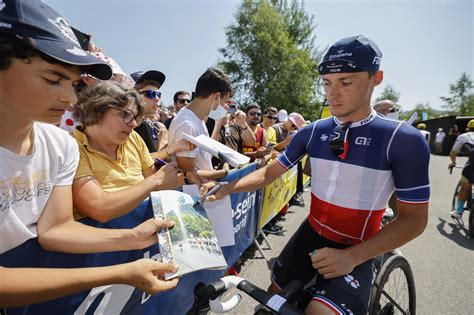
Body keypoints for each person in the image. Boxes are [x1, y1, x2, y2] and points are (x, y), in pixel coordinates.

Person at [202, 35, 430, 315]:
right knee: (272, 304)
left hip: (358, 246)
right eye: (327, 83)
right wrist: (228, 187)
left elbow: (415, 221)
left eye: (346, 82)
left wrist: (352, 257)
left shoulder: (403, 139)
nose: (333, 93)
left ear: (375, 78)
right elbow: (266, 174)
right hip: (310, 233)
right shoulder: (313, 131)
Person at [0, 0, 178, 306]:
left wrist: (131, 237)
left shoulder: (60, 145)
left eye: (72, 83)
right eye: (52, 79)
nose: (69, 97)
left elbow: (54, 230)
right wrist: (118, 272)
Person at [71, 81, 194, 222]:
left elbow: (157, 187)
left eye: (136, 117)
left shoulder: (132, 138)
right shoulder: (73, 148)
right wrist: (157, 179)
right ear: (97, 110)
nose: (134, 124)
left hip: (145, 227)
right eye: (126, 115)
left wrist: (190, 179)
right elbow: (99, 208)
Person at [168, 67, 231, 183]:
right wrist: (223, 172)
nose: (225, 108)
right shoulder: (187, 124)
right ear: (216, 97)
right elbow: (188, 175)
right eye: (224, 102)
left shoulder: (198, 119)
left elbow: (203, 158)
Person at [131, 69, 168, 153]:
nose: (157, 99)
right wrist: (163, 141)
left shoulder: (150, 124)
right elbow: (150, 164)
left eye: (158, 94)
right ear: (134, 95)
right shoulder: (136, 125)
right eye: (151, 94)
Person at [448, 119, 474, 219]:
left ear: (468, 128)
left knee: (465, 186)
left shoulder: (463, 136)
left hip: (472, 165)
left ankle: (458, 212)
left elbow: (453, 153)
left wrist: (453, 163)